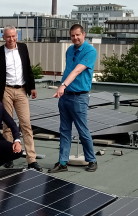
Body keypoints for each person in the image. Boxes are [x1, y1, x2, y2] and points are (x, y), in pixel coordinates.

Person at [0, 25, 42, 172]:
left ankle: (31, 160)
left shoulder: (23, 48)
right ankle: (9, 156)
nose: (11, 39)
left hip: (22, 90)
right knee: (8, 126)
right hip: (5, 90)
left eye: (13, 36)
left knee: (26, 124)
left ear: (16, 36)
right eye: (8, 36)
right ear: (3, 37)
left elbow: (28, 68)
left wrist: (32, 87)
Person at [48, 24, 98, 173]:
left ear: (84, 34)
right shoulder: (69, 50)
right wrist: (64, 88)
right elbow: (69, 69)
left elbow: (77, 70)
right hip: (65, 97)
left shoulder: (90, 51)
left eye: (77, 35)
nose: (75, 38)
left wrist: (62, 85)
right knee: (64, 130)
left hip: (79, 97)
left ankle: (92, 160)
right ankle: (63, 162)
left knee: (82, 130)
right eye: (72, 35)